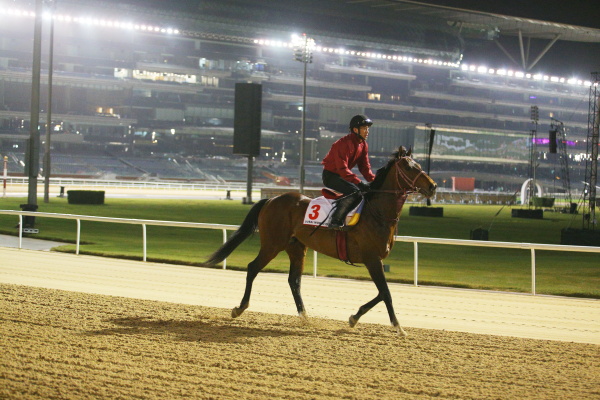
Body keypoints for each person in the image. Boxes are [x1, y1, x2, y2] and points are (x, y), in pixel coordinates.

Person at [321, 114, 376, 229]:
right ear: (355, 130)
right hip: (331, 176)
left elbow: (365, 167)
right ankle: (335, 221)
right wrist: (359, 183)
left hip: (342, 176)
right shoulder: (342, 144)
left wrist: (374, 180)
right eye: (365, 128)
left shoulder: (363, 145)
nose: (367, 131)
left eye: (368, 129)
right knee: (355, 192)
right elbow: (342, 169)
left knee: (361, 192)